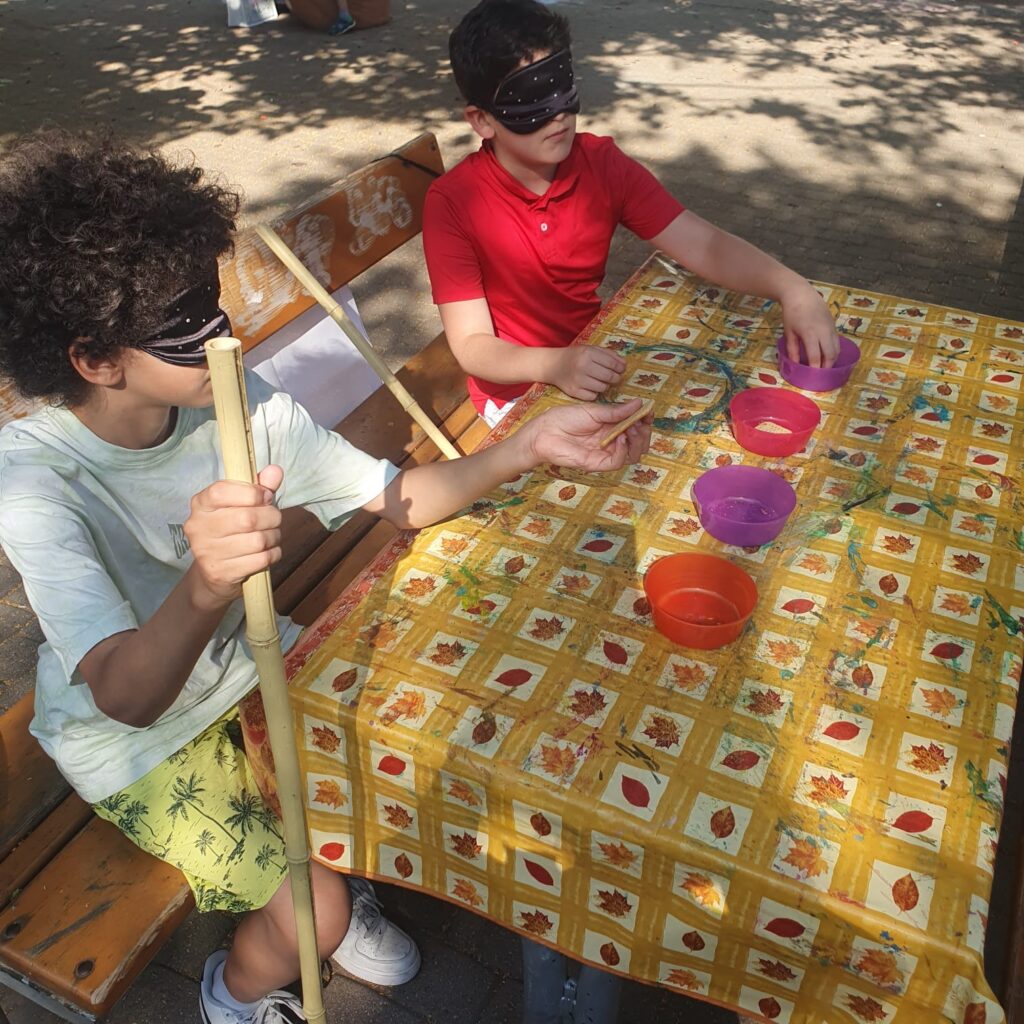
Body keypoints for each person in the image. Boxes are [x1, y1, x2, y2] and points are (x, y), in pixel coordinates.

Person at [0, 130, 652, 1024]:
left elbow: (399, 499)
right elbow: (125, 696)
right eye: (184, 326)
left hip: (243, 665)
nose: (221, 336)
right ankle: (232, 996)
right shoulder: (35, 481)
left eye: (213, 301)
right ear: (95, 359)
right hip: (135, 741)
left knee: (408, 753)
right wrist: (205, 586)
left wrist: (526, 449)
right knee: (317, 910)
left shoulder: (241, 403)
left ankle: (326, 881)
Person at [422, 0, 841, 428]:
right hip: (518, 392)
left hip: (596, 359)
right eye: (529, 97)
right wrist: (554, 365)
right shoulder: (454, 203)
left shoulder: (602, 164)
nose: (559, 113)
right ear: (482, 120)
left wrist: (793, 289)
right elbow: (472, 344)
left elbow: (705, 245)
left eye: (561, 84)